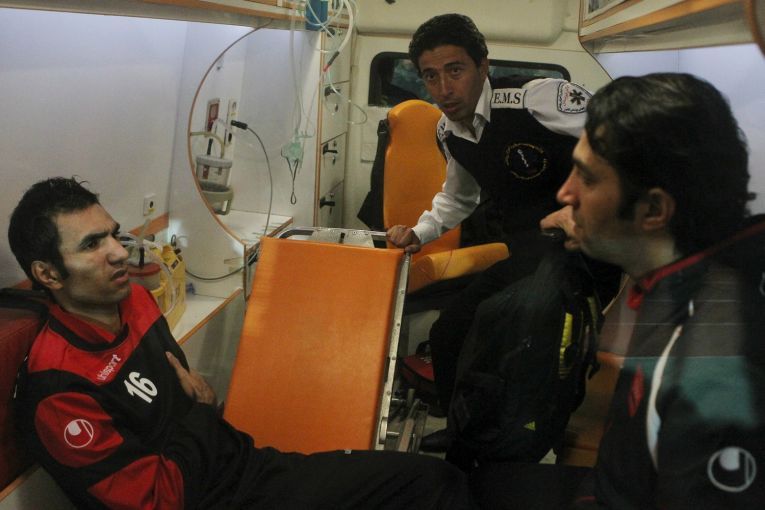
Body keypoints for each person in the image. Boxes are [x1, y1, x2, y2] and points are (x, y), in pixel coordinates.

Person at [9, 177, 475, 509]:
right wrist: (202, 411)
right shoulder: (59, 390)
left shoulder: (135, 301)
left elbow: (185, 412)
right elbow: (158, 500)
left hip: (244, 466)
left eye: (113, 234)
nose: (117, 251)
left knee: (434, 482)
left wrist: (204, 420)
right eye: (91, 245)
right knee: (431, 490)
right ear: (48, 274)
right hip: (216, 497)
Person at [472, 73, 765, 508]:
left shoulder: (709, 365)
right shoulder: (682, 278)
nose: (564, 192)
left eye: (587, 179)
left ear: (653, 210)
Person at [386, 13, 618, 452]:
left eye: (455, 70)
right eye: (431, 76)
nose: (443, 88)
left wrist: (586, 209)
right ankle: (461, 430)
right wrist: (419, 232)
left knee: (511, 328)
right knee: (450, 330)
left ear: (483, 66)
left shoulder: (536, 100)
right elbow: (458, 198)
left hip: (587, 255)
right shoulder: (449, 132)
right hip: (529, 255)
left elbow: (621, 139)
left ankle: (527, 440)